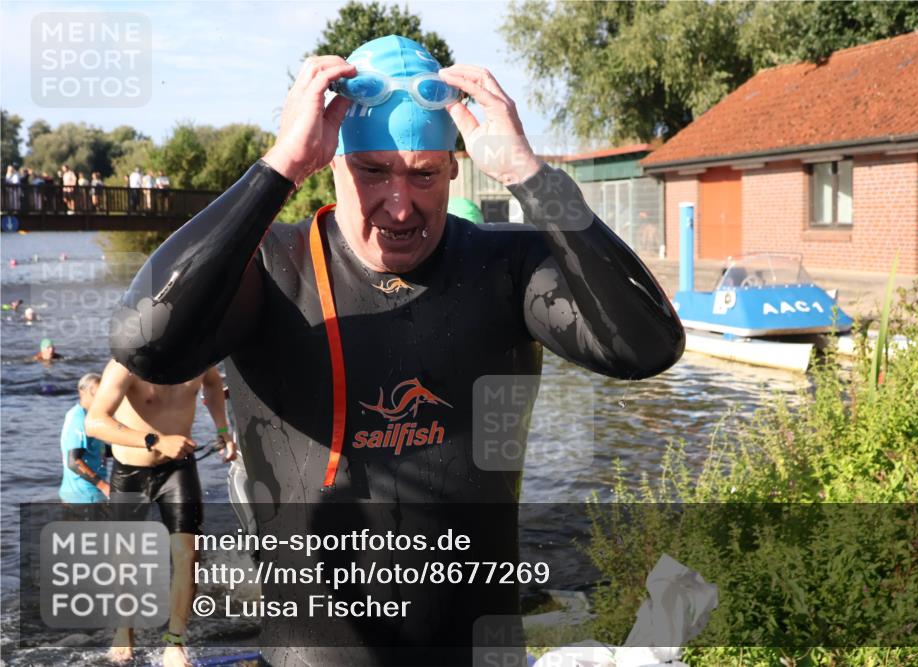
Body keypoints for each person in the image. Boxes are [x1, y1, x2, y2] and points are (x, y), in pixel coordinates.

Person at [108, 35, 684, 666]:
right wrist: (278, 167)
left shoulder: (506, 267)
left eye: (424, 173)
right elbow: (146, 344)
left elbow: (646, 346)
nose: (400, 205)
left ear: (454, 168)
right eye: (373, 170)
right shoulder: (269, 269)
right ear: (332, 163)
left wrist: (531, 176)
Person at [85, 360, 236, 667]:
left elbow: (212, 384)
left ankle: (175, 643)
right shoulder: (127, 363)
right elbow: (95, 421)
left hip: (179, 471)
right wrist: (156, 440)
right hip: (130, 472)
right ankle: (124, 630)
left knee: (188, 556)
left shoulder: (198, 355)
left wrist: (223, 430)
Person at [59, 373, 110, 503]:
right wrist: (103, 486)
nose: (101, 398)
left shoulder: (91, 417)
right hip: (83, 496)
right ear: (82, 392)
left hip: (90, 493)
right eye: (96, 394)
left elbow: (96, 449)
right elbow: (74, 462)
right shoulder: (79, 419)